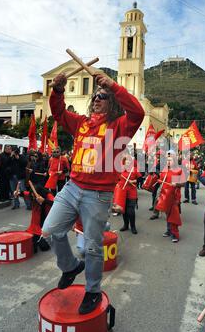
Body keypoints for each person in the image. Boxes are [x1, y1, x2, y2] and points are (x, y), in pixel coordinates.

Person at [42, 72, 144, 314]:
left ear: (113, 103)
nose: (97, 98)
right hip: (72, 187)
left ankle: (93, 291)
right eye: (96, 96)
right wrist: (57, 90)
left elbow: (138, 113)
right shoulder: (80, 122)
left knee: (92, 247)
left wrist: (113, 86)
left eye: (103, 96)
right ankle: (69, 267)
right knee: (50, 231)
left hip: (98, 195)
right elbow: (57, 113)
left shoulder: (119, 127)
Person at [158, 150, 186, 243]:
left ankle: (175, 234)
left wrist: (177, 183)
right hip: (165, 196)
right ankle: (169, 230)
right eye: (167, 160)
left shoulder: (179, 170)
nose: (168, 162)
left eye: (170, 160)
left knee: (173, 215)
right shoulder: (165, 169)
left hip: (174, 197)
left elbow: (183, 184)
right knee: (167, 214)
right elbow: (162, 181)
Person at [119, 155, 141, 234]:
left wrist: (134, 181)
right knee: (123, 210)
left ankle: (133, 226)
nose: (127, 162)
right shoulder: (121, 170)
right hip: (122, 192)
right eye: (126, 160)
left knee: (130, 210)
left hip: (132, 192)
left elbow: (140, 179)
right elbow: (117, 179)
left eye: (129, 160)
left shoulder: (134, 170)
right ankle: (125, 225)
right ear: (124, 162)